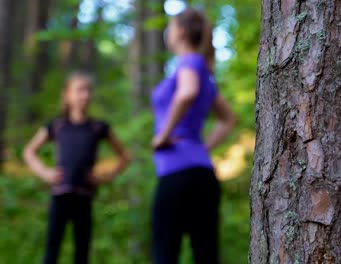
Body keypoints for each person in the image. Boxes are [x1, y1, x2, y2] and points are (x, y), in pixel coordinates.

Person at [150, 7, 236, 264]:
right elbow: (228, 120)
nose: (168, 31)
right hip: (202, 174)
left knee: (165, 255)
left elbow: (186, 93)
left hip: (177, 175)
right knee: (206, 254)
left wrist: (163, 136)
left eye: (171, 26)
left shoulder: (188, 63)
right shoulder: (204, 73)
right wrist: (202, 148)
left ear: (181, 32)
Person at [23, 72, 130, 264]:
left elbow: (124, 156)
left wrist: (105, 176)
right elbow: (29, 152)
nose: (85, 95)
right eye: (80, 90)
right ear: (67, 94)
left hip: (84, 196)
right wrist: (45, 173)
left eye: (88, 91)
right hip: (60, 195)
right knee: (51, 250)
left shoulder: (98, 127)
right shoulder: (57, 126)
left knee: (82, 252)